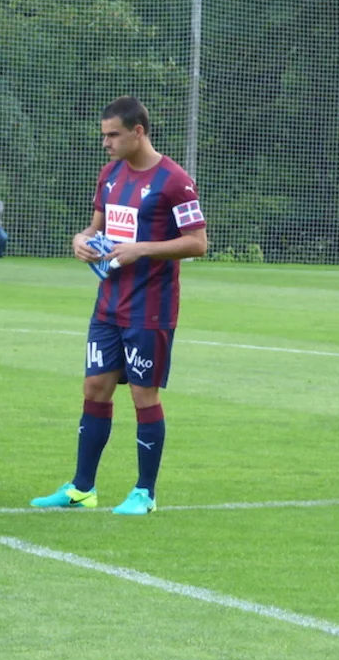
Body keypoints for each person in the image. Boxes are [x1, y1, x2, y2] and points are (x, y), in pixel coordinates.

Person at [30, 96, 207, 515]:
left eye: (113, 135)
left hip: (151, 307)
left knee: (144, 394)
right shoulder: (109, 175)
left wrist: (141, 249)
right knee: (95, 387)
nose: (105, 142)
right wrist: (81, 240)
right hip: (109, 303)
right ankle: (82, 488)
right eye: (104, 135)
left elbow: (198, 243)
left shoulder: (175, 181)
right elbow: (96, 227)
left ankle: (145, 493)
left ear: (138, 132)